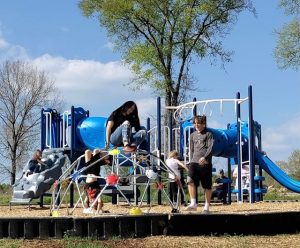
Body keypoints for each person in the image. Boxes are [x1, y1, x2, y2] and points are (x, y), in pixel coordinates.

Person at [185, 115, 214, 213]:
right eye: (195, 123)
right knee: (190, 180)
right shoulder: (192, 135)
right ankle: (193, 203)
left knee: (207, 186)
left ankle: (206, 206)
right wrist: (190, 160)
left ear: (203, 124)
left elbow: (210, 148)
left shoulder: (209, 134)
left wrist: (205, 157)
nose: (196, 125)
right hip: (194, 162)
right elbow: (192, 149)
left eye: (198, 123)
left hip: (205, 163)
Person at [83, 148, 109, 214]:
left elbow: (85, 203)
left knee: (87, 151)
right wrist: (98, 211)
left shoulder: (88, 197)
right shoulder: (97, 193)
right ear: (96, 203)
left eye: (91, 203)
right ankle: (107, 156)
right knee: (96, 151)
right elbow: (100, 202)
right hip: (95, 171)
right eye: (94, 203)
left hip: (88, 171)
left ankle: (104, 160)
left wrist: (87, 208)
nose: (92, 201)